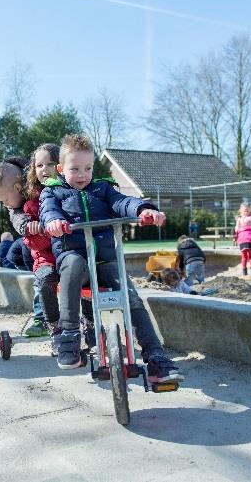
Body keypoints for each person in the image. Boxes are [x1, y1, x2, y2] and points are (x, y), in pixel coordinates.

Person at [40, 133, 183, 384]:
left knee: (131, 298)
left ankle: (156, 357)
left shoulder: (103, 188)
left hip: (106, 260)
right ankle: (70, 337)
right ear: (61, 169)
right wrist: (53, 221)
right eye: (75, 169)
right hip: (75, 257)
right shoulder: (53, 193)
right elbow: (47, 211)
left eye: (88, 168)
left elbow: (123, 202)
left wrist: (143, 209)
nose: (83, 174)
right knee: (72, 266)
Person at [0, 145, 61, 339]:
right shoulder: (18, 205)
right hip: (37, 243)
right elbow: (17, 217)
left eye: (5, 200)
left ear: (18, 188)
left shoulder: (41, 182)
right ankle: (41, 316)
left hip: (59, 239)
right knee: (39, 274)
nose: (5, 205)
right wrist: (28, 225)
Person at [234, 203, 251, 276]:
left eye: (247, 209)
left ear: (250, 209)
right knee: (248, 256)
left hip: (249, 238)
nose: (246, 210)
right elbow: (236, 228)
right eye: (244, 209)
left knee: (248, 256)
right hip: (245, 238)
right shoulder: (240, 218)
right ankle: (248, 271)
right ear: (241, 210)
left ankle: (247, 272)